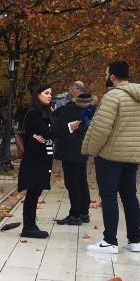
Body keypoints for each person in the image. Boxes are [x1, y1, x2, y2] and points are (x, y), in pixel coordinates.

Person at [82, 61, 140, 254]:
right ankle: (134, 241)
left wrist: (92, 150)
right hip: (132, 156)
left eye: (107, 73)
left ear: (112, 77)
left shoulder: (112, 97)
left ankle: (110, 240)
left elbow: (101, 128)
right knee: (130, 196)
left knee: (109, 196)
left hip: (110, 156)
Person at [17, 84, 66, 239]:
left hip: (41, 158)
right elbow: (48, 132)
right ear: (37, 95)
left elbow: (49, 132)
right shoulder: (34, 113)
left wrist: (48, 134)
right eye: (46, 93)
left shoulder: (44, 113)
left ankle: (31, 225)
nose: (50, 96)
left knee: (35, 191)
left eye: (51, 93)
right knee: (33, 191)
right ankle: (29, 227)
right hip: (34, 159)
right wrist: (66, 129)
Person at [53, 83, 95, 226]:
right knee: (81, 180)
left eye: (73, 89)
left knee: (72, 182)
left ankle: (75, 214)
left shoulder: (72, 107)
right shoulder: (90, 107)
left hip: (70, 149)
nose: (70, 91)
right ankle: (84, 213)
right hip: (83, 148)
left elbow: (58, 124)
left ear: (78, 91)